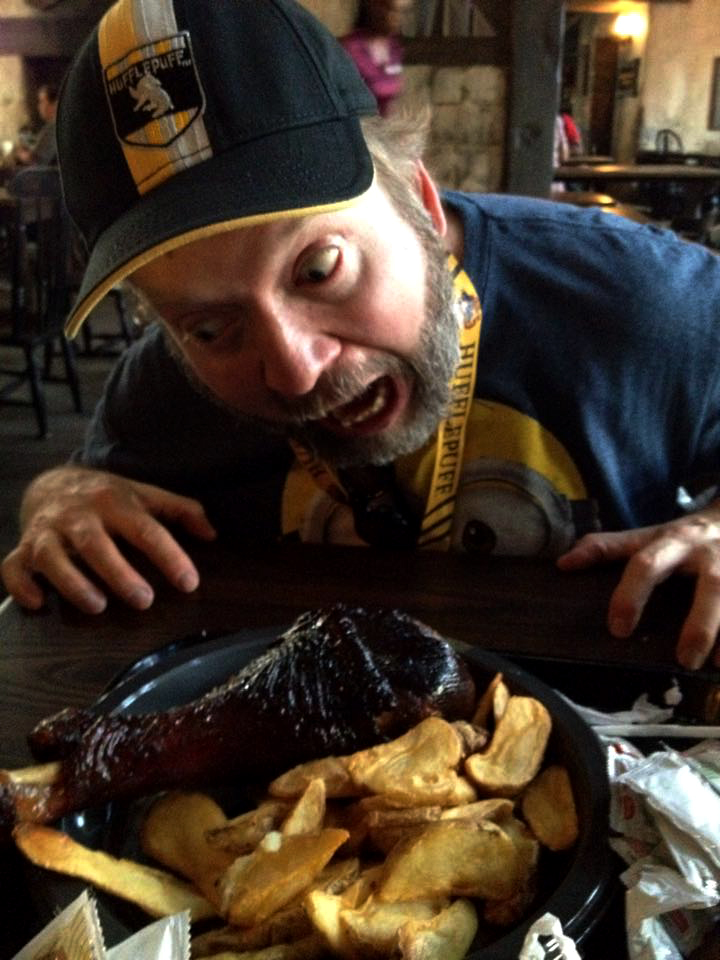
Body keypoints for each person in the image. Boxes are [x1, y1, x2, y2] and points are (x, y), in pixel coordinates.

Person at [3, 0, 720, 674]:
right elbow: (85, 484)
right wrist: (58, 499)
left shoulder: (645, 304)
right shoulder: (167, 382)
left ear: (420, 203)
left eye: (319, 269)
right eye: (211, 326)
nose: (295, 371)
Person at [340, 0, 412, 116]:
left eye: (404, 12)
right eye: (392, 10)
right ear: (374, 6)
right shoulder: (350, 49)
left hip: (383, 124)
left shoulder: (394, 48)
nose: (399, 18)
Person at [12, 83, 59, 167]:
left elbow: (33, 160)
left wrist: (19, 152)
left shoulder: (53, 127)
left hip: (43, 173)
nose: (39, 106)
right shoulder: (54, 126)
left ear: (54, 104)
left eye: (42, 101)